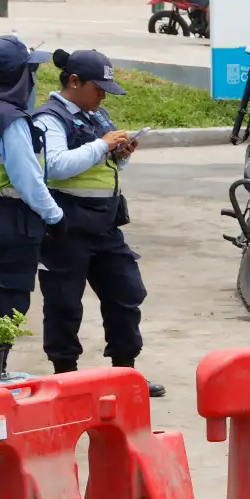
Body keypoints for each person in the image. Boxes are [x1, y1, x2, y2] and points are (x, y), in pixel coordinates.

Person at [33, 50, 163, 398]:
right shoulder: (49, 119)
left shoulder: (97, 113)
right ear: (74, 82)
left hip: (105, 225)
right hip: (65, 226)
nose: (103, 96)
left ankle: (125, 373)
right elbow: (55, 166)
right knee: (64, 305)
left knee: (125, 296)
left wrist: (120, 155)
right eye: (99, 88)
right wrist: (100, 145)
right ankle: (67, 378)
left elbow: (104, 166)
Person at [0, 36, 63, 374]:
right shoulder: (11, 120)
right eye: (30, 70)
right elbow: (28, 180)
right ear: (18, 76)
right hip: (11, 223)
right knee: (6, 303)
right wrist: (55, 215)